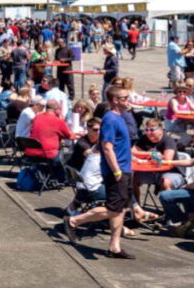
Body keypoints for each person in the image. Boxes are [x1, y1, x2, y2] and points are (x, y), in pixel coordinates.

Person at [64, 84, 135, 259]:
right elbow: (107, 147)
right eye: (125, 98)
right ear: (116, 100)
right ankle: (74, 221)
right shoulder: (111, 119)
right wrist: (117, 171)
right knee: (113, 209)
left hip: (124, 168)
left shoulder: (120, 117)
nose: (129, 100)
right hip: (116, 171)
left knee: (121, 209)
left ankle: (114, 247)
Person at [25, 99, 71, 181]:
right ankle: (62, 178)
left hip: (31, 153)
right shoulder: (58, 121)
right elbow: (68, 135)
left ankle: (50, 176)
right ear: (56, 109)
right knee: (68, 155)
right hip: (47, 155)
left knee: (58, 151)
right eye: (60, 109)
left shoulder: (37, 117)